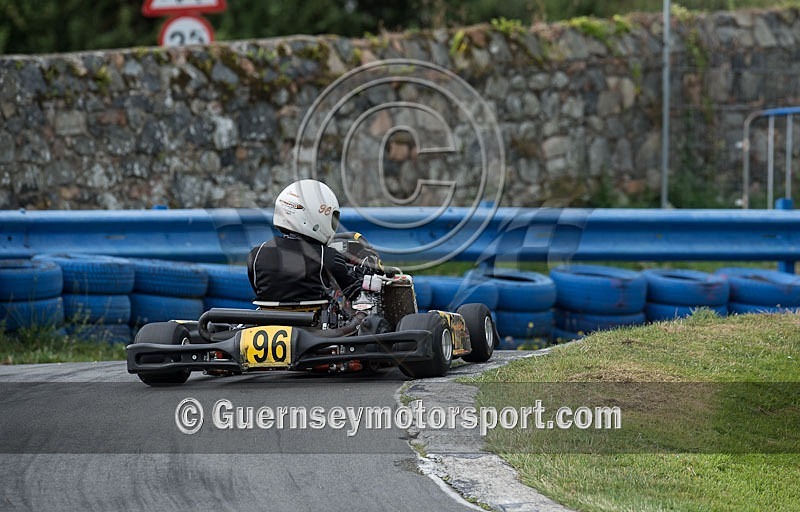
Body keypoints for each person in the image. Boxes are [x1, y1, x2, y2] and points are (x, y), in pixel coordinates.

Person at [247, 179, 361, 302]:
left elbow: (261, 292)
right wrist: (360, 274)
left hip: (267, 319)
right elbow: (354, 293)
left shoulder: (255, 255)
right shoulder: (327, 257)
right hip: (313, 319)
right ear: (316, 215)